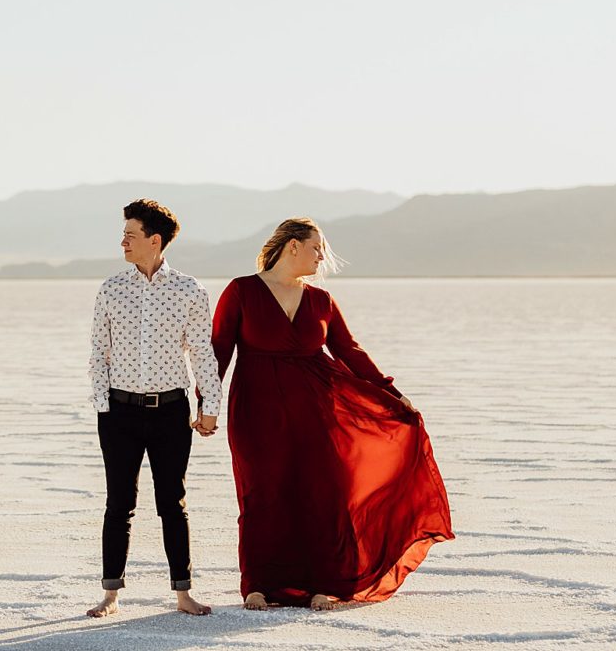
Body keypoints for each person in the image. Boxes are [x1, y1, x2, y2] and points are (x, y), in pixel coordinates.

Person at [212, 217, 453, 610]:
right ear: (292, 246)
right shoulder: (241, 291)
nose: (322, 257)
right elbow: (218, 351)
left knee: (323, 494)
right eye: (316, 248)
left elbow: (349, 351)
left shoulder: (320, 300)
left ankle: (325, 583)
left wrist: (389, 393)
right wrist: (206, 404)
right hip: (256, 410)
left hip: (317, 411)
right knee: (262, 494)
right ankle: (259, 584)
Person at [85, 199, 221, 618]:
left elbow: (202, 353)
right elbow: (97, 354)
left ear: (154, 239)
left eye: (130, 234)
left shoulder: (190, 290)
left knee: (172, 503)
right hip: (119, 413)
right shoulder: (111, 288)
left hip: (170, 413)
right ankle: (110, 594)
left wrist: (210, 406)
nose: (122, 240)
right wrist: (104, 408)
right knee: (118, 503)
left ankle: (182, 593)